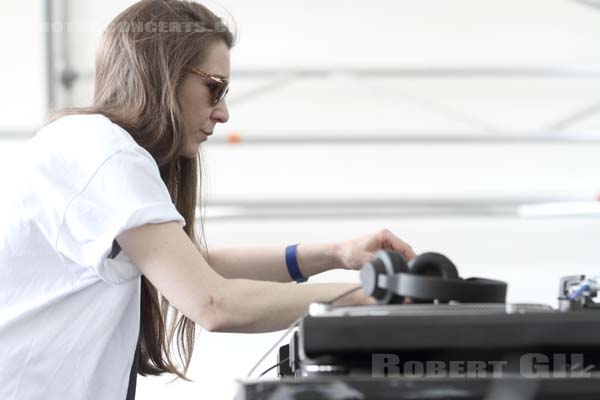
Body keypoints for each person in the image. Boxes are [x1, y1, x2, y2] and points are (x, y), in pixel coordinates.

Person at [0, 0, 416, 398]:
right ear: (162, 74)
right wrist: (369, 296)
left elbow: (191, 265)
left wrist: (337, 254)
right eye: (214, 88)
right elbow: (214, 302)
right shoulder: (102, 151)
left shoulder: (85, 146)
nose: (223, 112)